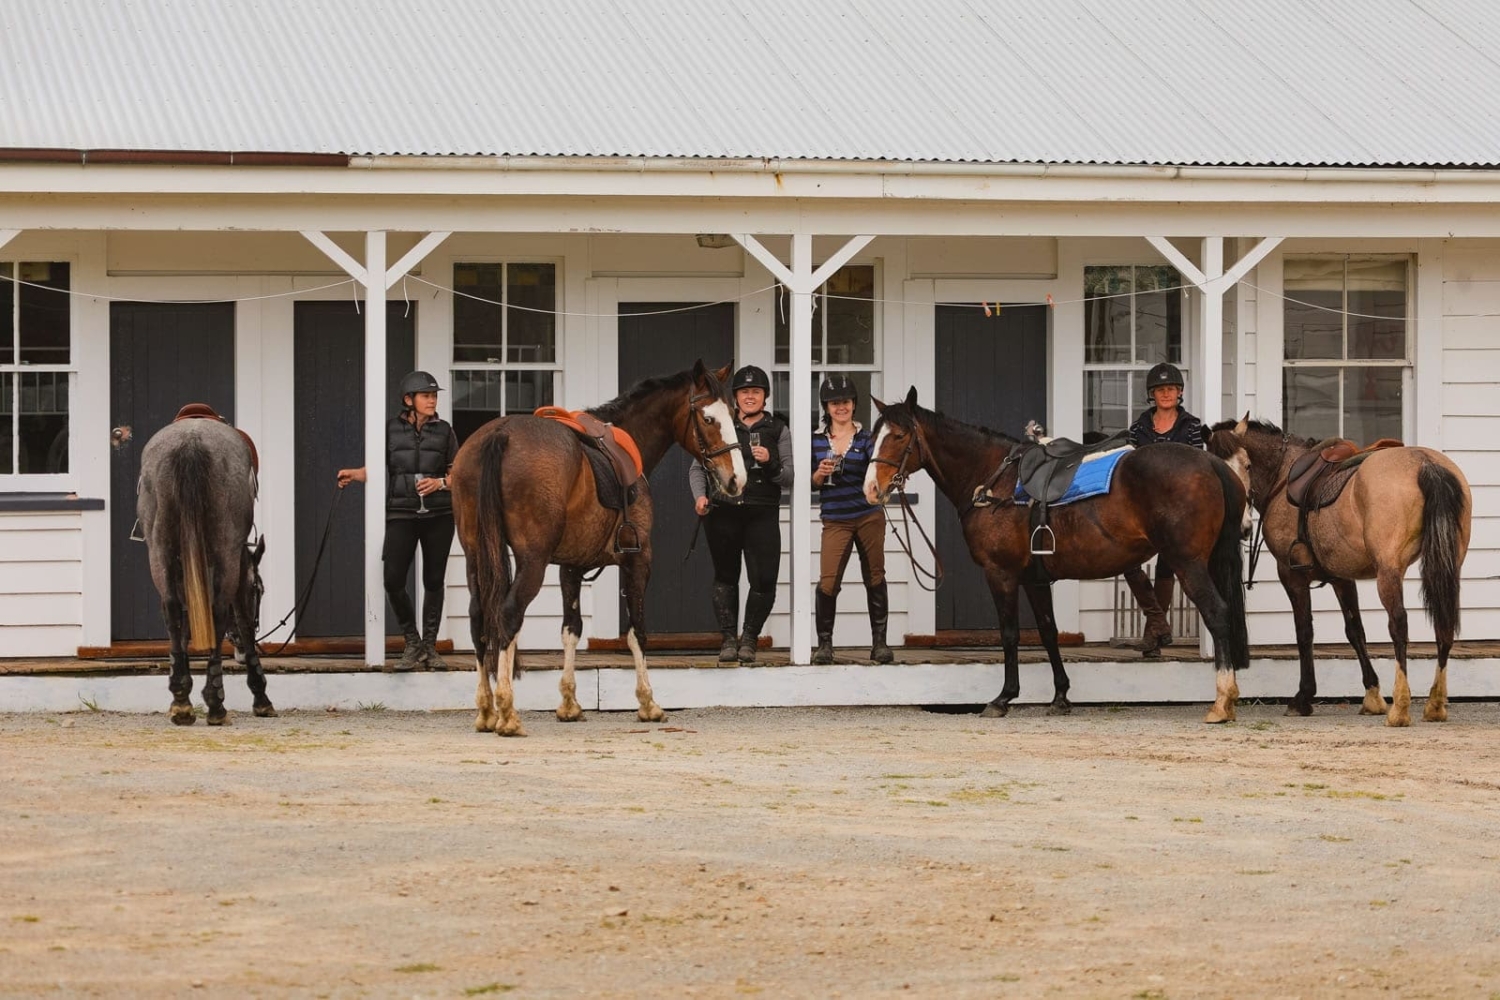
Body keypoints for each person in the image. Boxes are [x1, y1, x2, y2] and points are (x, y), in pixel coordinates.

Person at [336, 370, 459, 672]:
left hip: (439, 515)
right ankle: (412, 641)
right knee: (392, 579)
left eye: (434, 395)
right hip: (400, 513)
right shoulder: (390, 430)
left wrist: (440, 483)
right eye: (426, 395)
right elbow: (378, 470)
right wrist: (355, 474)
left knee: (433, 580)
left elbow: (460, 475)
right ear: (409, 400)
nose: (432, 400)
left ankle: (429, 647)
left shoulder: (445, 431)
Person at [690, 364, 793, 664]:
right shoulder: (724, 423)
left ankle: (749, 638)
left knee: (764, 579)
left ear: (765, 396)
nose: (750, 396)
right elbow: (697, 468)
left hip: (762, 512)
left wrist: (771, 461)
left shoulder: (778, 429)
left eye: (756, 392)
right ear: (735, 396)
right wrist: (699, 496)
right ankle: (727, 641)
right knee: (726, 576)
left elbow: (789, 477)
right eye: (744, 392)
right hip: (723, 512)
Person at [810, 374, 892, 665]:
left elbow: (879, 472)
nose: (840, 407)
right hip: (835, 518)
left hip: (868, 516)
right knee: (828, 581)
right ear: (826, 406)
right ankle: (825, 645)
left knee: (875, 576)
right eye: (834, 403)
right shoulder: (816, 440)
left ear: (854, 404)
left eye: (845, 401)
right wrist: (819, 473)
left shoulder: (868, 438)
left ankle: (879, 643)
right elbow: (810, 482)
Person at [1124, 361, 1206, 649]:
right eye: (1160, 390)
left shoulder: (1192, 426)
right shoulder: (1139, 428)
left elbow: (1199, 469)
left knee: (1166, 564)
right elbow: (1128, 469)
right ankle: (1158, 621)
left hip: (1177, 508)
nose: (1166, 394)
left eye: (1171, 388)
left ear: (1180, 392)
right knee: (1128, 561)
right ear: (1152, 394)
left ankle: (1152, 635)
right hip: (1141, 508)